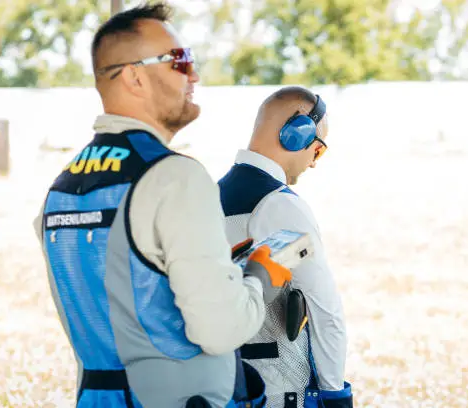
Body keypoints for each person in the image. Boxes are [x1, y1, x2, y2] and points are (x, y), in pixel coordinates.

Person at [32, 3, 292, 407]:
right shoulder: (176, 177)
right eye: (180, 60)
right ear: (134, 77)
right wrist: (261, 277)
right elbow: (220, 329)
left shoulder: (60, 189)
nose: (194, 74)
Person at [218, 86, 353, 407]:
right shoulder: (280, 206)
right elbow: (323, 307)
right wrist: (335, 394)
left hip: (224, 384)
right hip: (278, 390)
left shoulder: (207, 197)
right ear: (296, 134)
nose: (314, 163)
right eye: (317, 150)